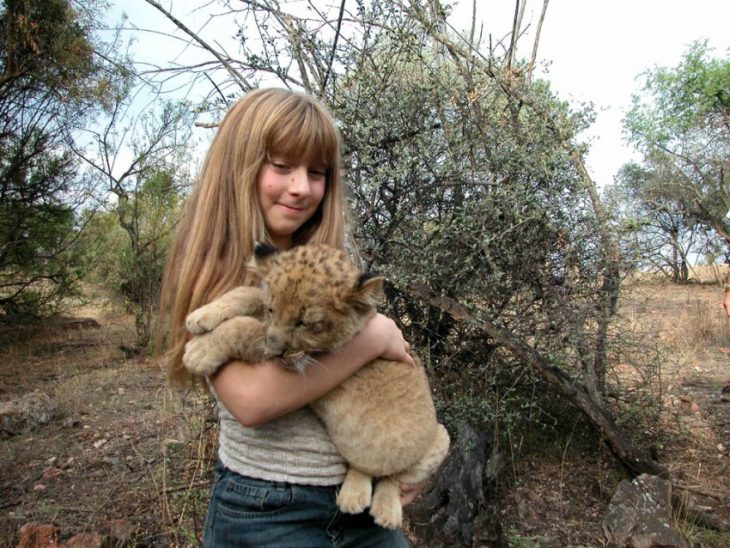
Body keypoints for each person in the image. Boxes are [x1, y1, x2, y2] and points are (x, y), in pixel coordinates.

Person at [159, 88, 419, 547]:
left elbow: (391, 377)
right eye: (282, 167)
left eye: (316, 172)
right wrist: (374, 336)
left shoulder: (324, 260)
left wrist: (405, 458)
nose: (301, 187)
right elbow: (252, 402)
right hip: (269, 510)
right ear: (239, 167)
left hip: (355, 503)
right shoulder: (219, 266)